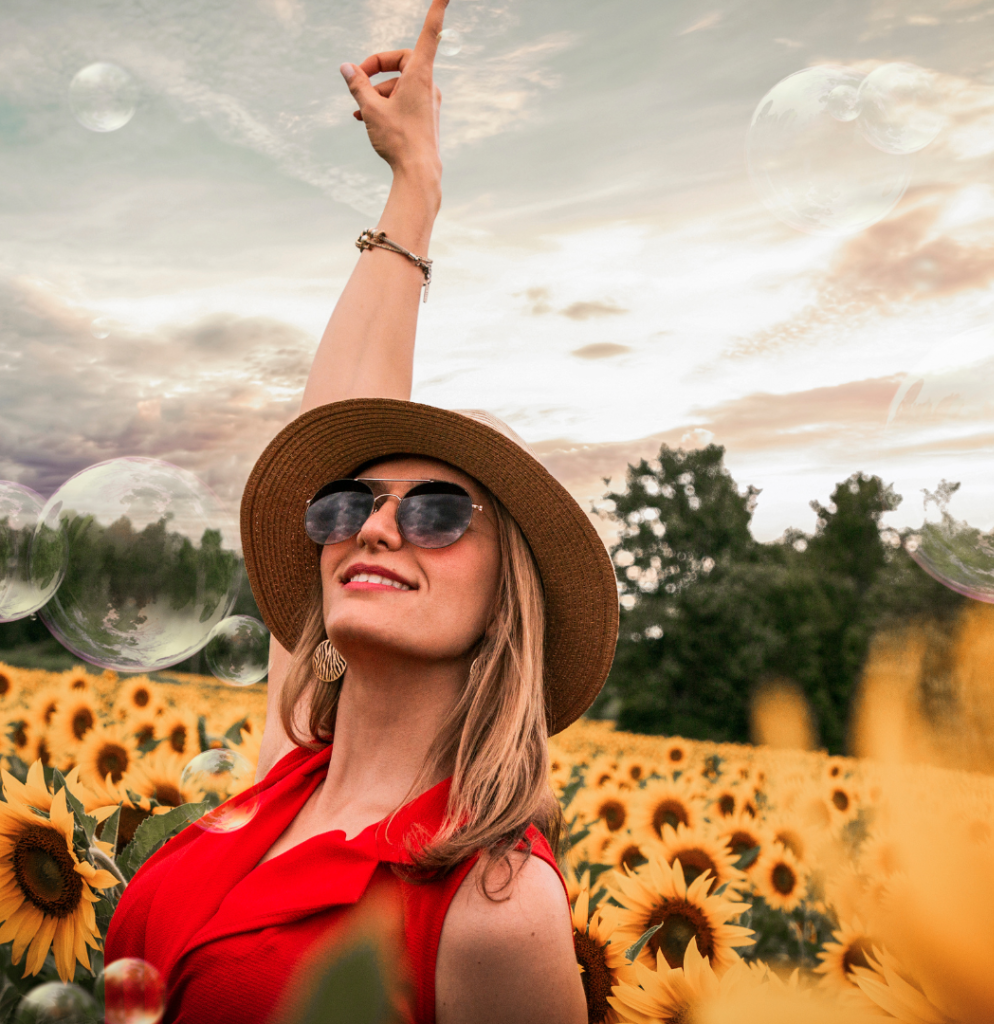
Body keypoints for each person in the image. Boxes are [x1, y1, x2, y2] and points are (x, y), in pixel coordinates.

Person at [104, 2, 619, 1021]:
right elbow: (336, 413)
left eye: (435, 512)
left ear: (504, 601)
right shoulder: (290, 777)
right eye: (348, 506)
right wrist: (414, 186)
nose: (374, 528)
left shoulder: (495, 904)